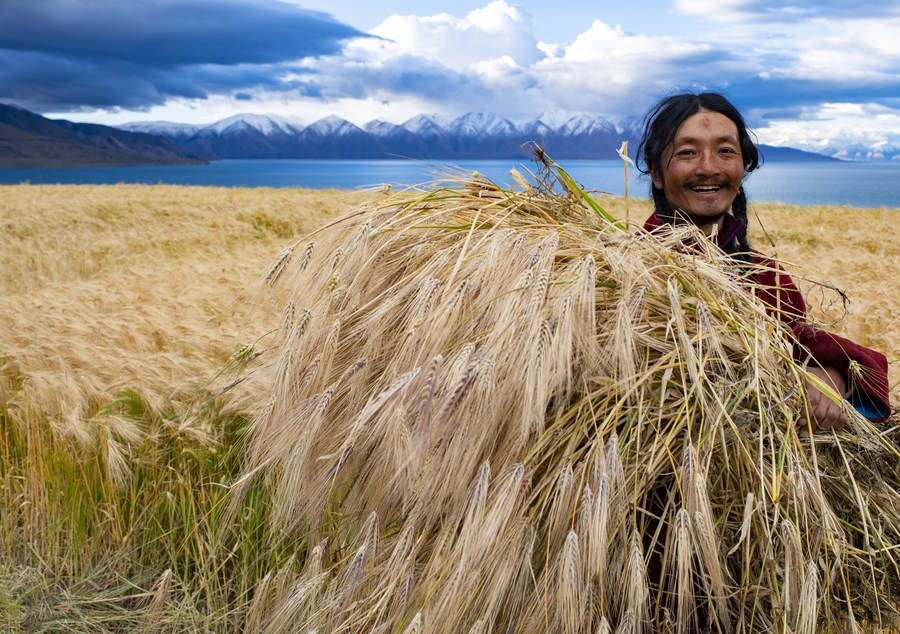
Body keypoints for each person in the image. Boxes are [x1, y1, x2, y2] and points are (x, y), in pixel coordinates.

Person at [635, 91, 891, 429]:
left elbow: (805, 347)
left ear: (743, 167)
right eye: (687, 152)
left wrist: (831, 378)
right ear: (656, 173)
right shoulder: (622, 270)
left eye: (725, 151)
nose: (709, 167)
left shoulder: (769, 278)